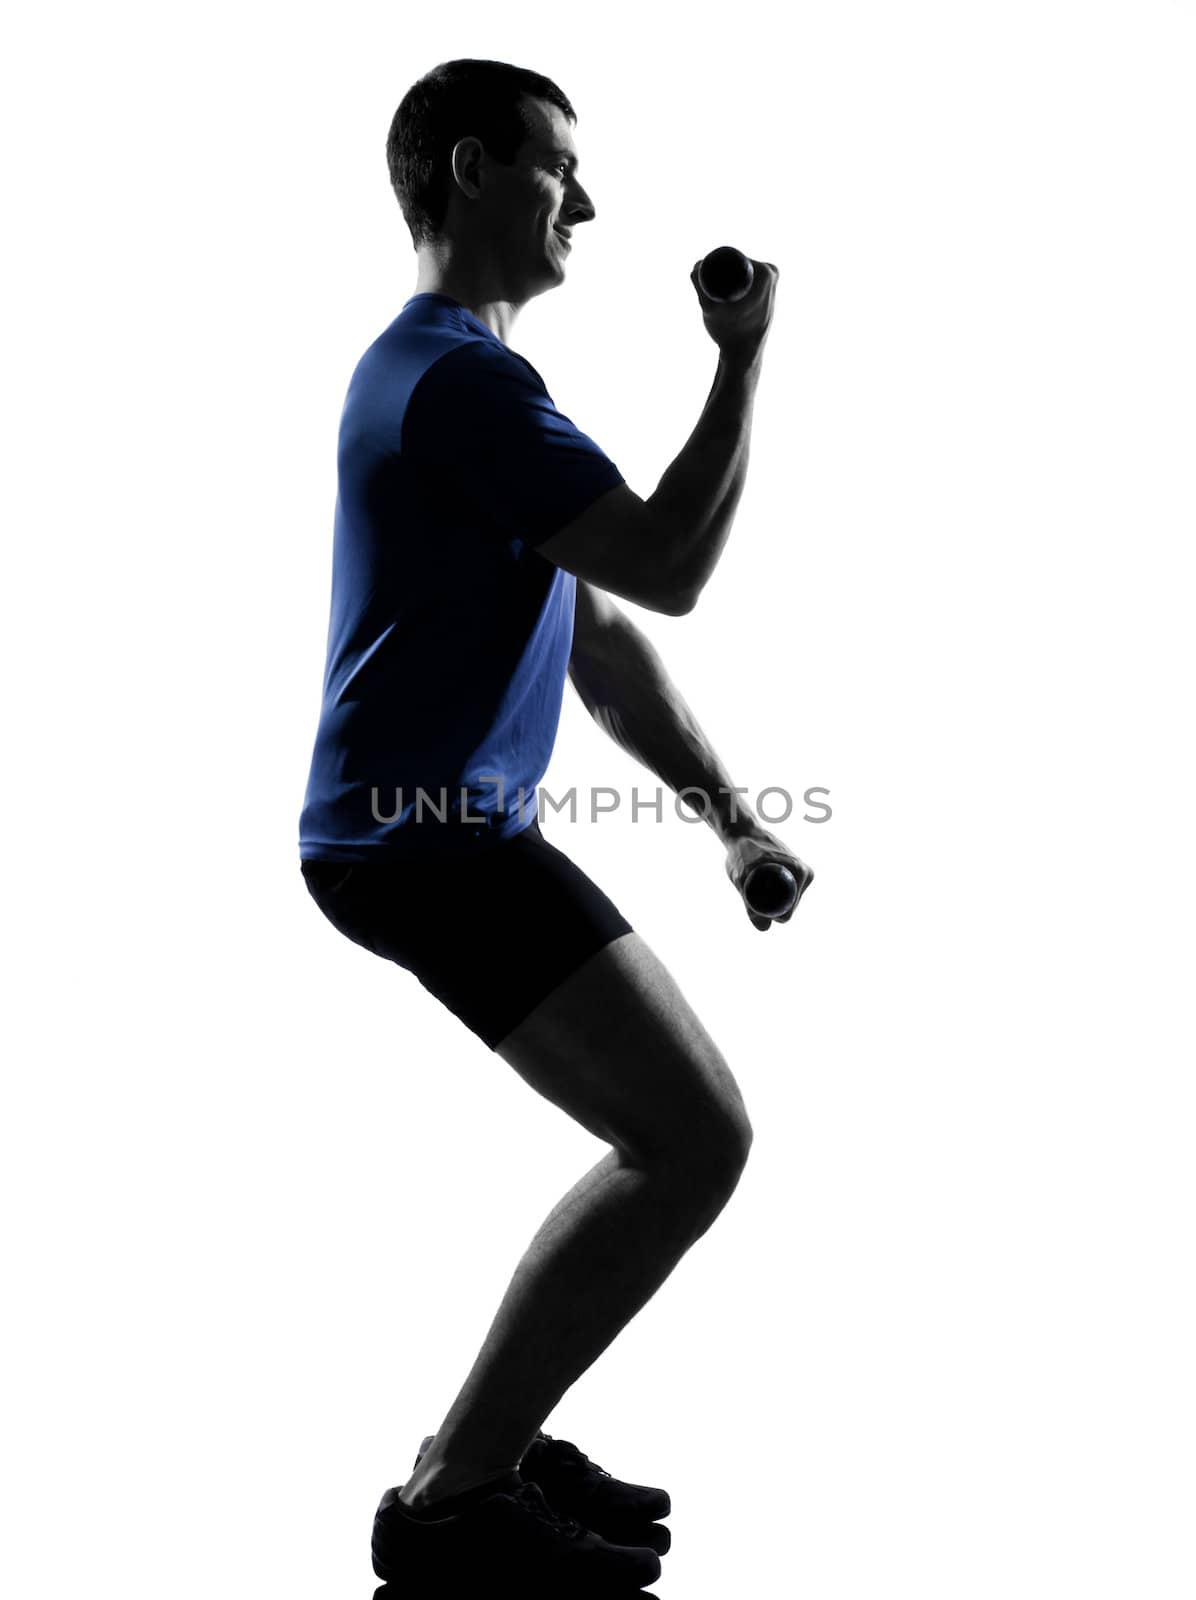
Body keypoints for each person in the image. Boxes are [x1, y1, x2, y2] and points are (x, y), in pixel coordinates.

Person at [297, 56, 814, 1590]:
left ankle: (490, 1454)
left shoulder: (460, 384)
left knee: (672, 1136)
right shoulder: (458, 381)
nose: (583, 201)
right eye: (556, 168)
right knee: (694, 1137)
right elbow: (671, 563)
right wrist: (743, 362)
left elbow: (596, 631)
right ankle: (455, 1499)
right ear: (469, 172)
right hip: (419, 837)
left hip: (423, 833)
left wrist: (730, 821)